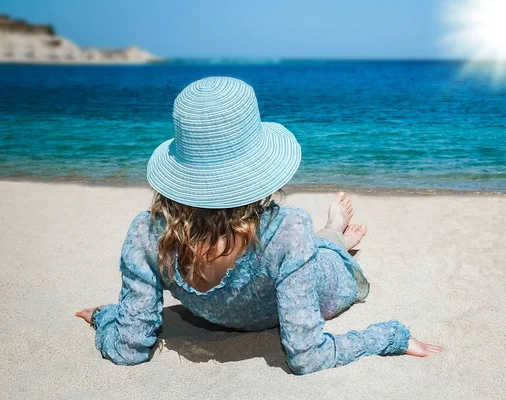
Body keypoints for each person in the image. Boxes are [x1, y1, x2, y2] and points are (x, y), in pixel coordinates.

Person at [76, 77, 443, 375]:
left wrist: (107, 317)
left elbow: (128, 348)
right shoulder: (288, 229)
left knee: (323, 246)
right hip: (317, 281)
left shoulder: (146, 234)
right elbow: (307, 356)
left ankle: (335, 232)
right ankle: (334, 233)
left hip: (307, 266)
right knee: (315, 244)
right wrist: (389, 337)